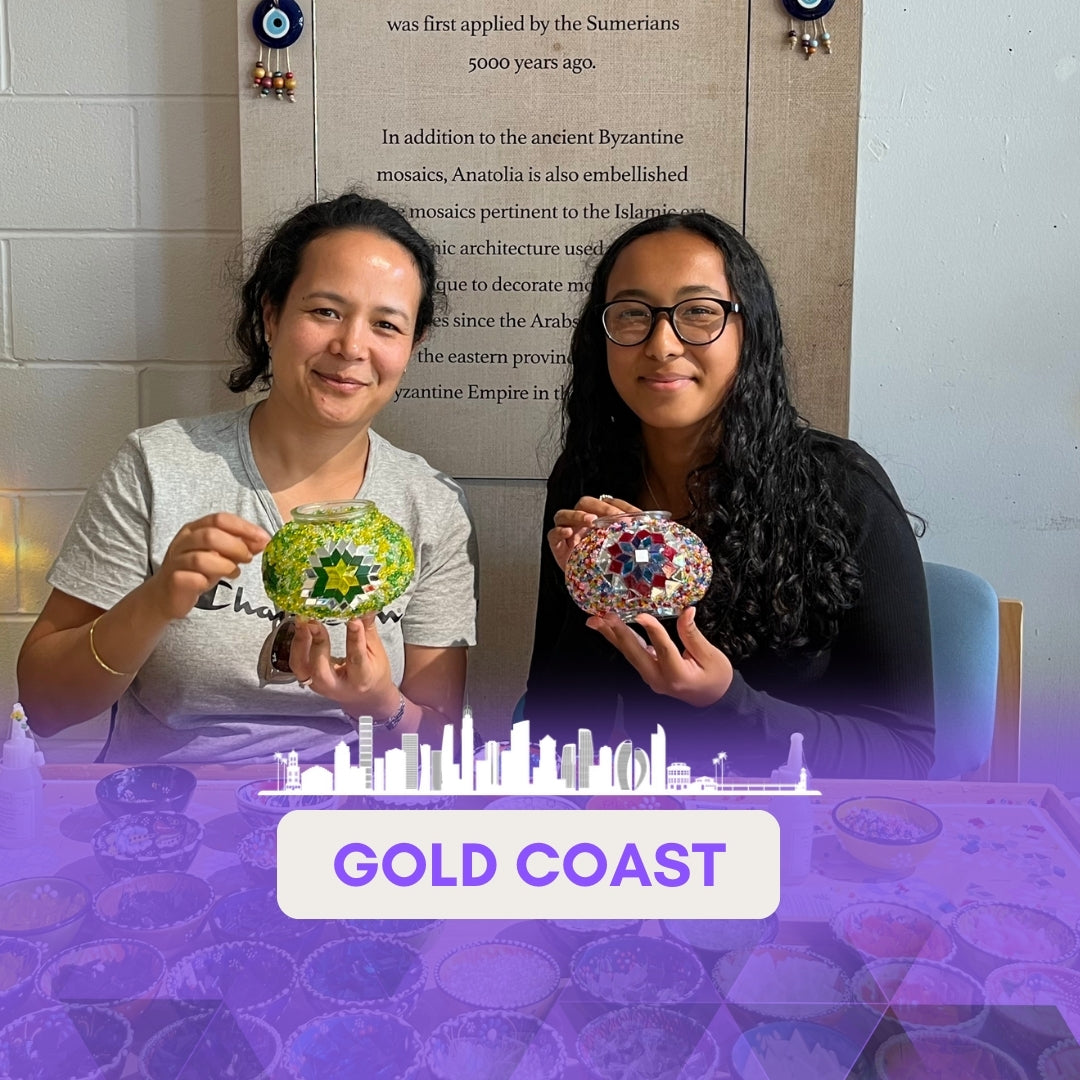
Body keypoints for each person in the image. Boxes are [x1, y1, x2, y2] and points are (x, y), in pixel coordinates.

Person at [17, 193, 478, 764]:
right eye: (325, 312)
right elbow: (44, 705)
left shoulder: (431, 506)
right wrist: (154, 602)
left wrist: (379, 704)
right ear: (271, 315)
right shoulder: (158, 466)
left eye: (386, 324)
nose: (351, 346)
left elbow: (442, 746)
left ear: (411, 346)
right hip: (171, 804)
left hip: (346, 810)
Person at [526, 213, 934, 780]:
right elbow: (555, 729)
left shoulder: (842, 489)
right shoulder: (589, 480)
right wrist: (591, 600)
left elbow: (908, 754)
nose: (661, 345)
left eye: (699, 312)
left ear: (750, 331)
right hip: (662, 813)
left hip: (805, 818)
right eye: (632, 313)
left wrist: (729, 702)